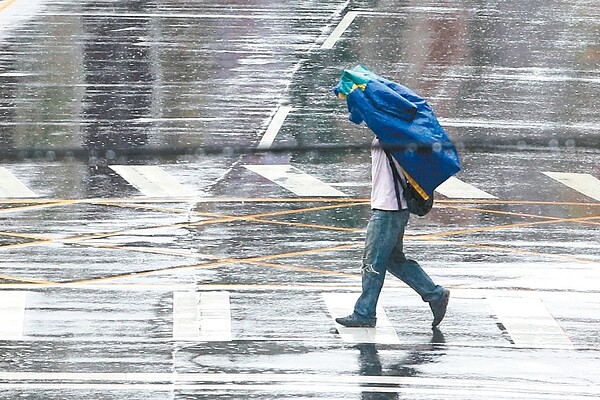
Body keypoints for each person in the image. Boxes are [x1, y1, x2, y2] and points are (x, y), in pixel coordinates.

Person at [335, 138, 450, 329]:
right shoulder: (391, 132)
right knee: (392, 260)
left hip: (389, 208)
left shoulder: (393, 134)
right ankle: (435, 294)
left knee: (372, 262)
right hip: (390, 207)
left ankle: (365, 312)